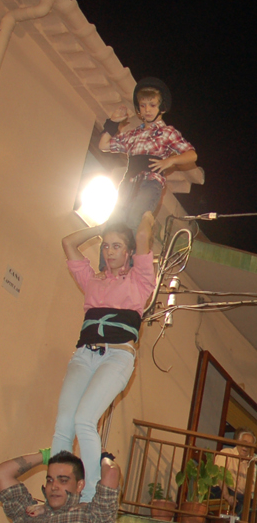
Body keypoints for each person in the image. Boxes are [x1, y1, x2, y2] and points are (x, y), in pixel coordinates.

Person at [54, 211, 155, 501]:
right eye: (106, 246)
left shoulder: (141, 280)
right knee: (64, 422)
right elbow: (68, 242)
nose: (109, 252)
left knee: (85, 418)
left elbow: (144, 236)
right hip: (85, 354)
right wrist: (101, 228)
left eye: (116, 246)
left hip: (117, 355)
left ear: (129, 253)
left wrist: (146, 216)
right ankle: (58, 488)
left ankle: (90, 499)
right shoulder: (93, 280)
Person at [98, 77, 197, 237]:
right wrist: (113, 122)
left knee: (134, 219)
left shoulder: (167, 132)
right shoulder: (133, 134)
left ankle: (138, 256)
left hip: (150, 183)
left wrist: (169, 161)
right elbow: (103, 145)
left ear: (162, 107)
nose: (147, 110)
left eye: (152, 105)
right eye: (143, 106)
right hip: (129, 183)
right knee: (113, 225)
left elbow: (191, 155)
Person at [0, 448, 120, 523]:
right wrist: (46, 455)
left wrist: (104, 457)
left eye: (63, 480)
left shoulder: (92, 516)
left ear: (79, 485)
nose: (54, 486)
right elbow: (2, 473)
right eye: (50, 480)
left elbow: (111, 472)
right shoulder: (30, 515)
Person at [212, 429, 257, 516]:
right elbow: (219, 476)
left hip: (242, 497)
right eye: (244, 442)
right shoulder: (226, 453)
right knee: (242, 508)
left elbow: (256, 489)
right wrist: (227, 495)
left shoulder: (254, 460)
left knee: (256, 509)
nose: (246, 446)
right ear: (238, 442)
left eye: (250, 444)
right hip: (222, 490)